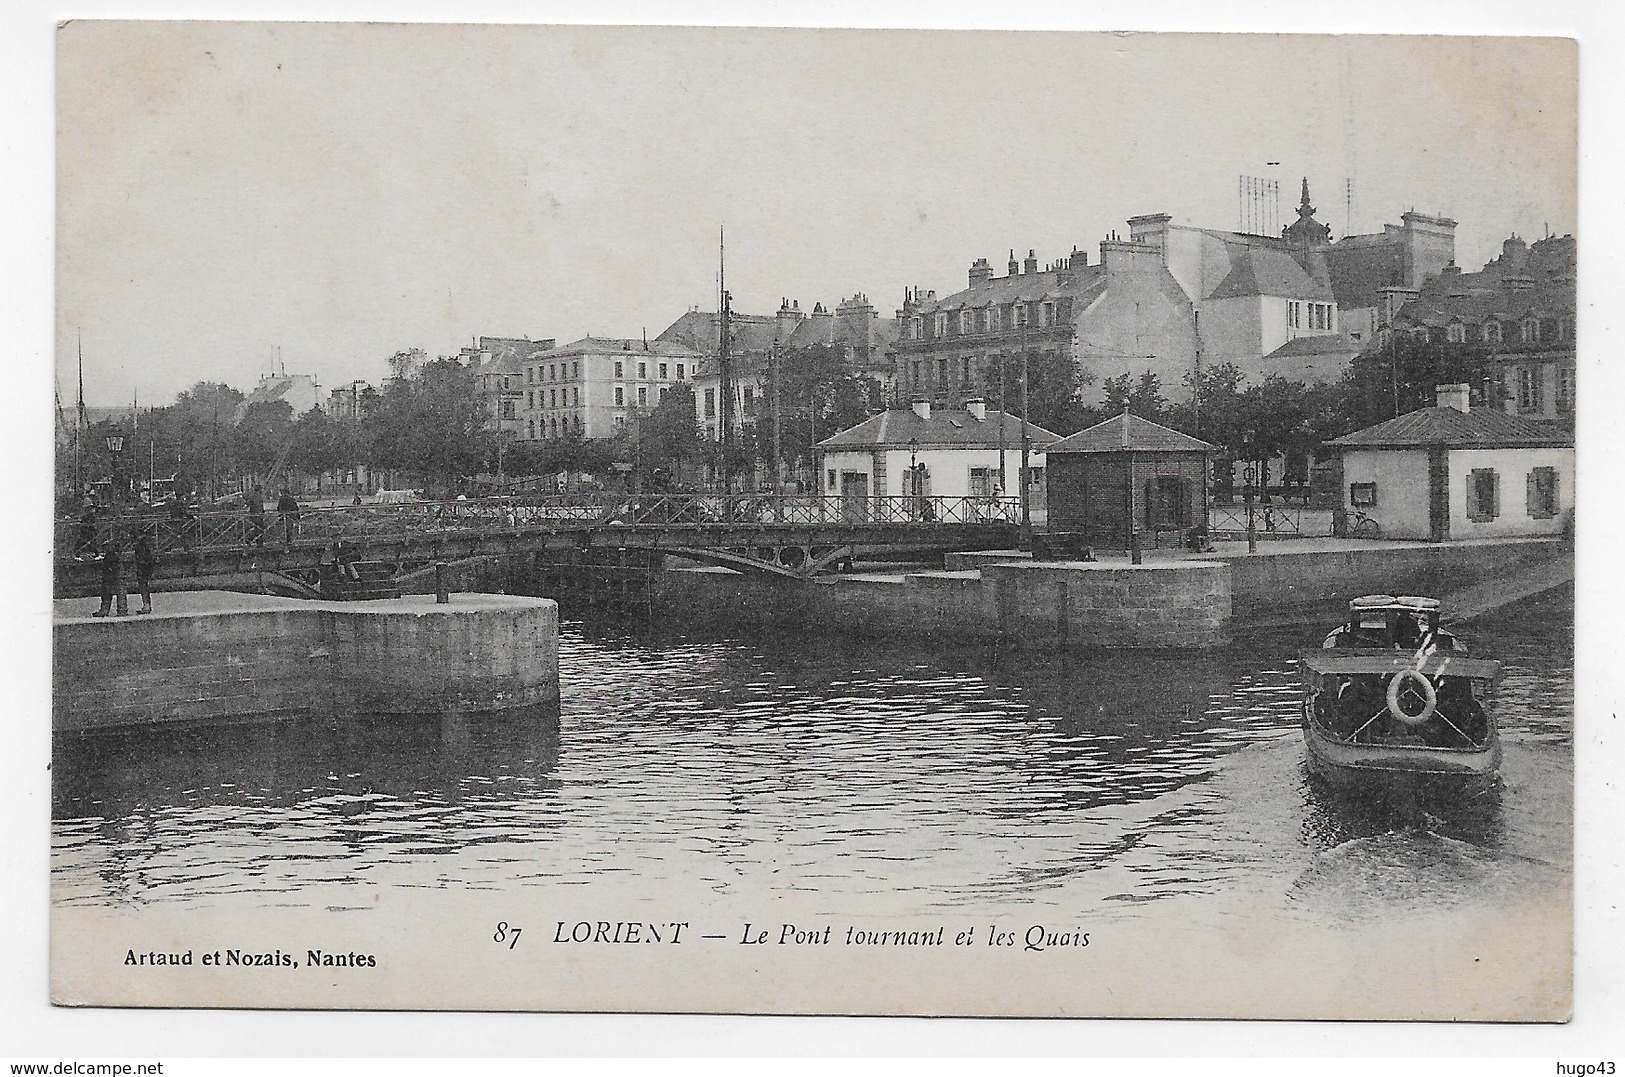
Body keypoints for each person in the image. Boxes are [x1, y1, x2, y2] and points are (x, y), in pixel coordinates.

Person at [92, 528, 126, 617]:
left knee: (112, 590)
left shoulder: (112, 555)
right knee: (113, 590)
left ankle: (110, 609)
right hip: (115, 571)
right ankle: (120, 609)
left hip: (114, 572)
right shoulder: (114, 554)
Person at [132, 527, 155, 615]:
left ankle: (146, 605)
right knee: (144, 585)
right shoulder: (147, 542)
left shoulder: (140, 544)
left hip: (143, 565)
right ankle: (147, 605)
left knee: (143, 585)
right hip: (146, 564)